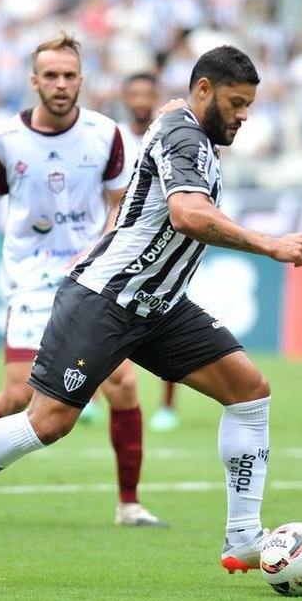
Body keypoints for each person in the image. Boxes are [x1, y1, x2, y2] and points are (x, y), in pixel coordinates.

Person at [0, 44, 302, 576]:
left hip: (160, 304)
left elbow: (162, 151)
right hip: (106, 299)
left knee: (249, 391)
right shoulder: (183, 135)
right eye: (237, 104)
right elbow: (188, 214)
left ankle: (242, 536)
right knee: (47, 421)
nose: (244, 117)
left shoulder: (183, 123)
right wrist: (270, 244)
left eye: (249, 105)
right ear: (204, 92)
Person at [0, 35, 166, 528]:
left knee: (123, 385)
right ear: (34, 81)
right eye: (51, 76)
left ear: (81, 80)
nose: (61, 85)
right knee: (17, 397)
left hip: (91, 280)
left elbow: (121, 207)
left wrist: (104, 253)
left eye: (69, 76)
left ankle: (129, 504)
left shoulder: (107, 135)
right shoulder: (5, 142)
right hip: (31, 281)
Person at [118, 72, 181, 433]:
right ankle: (94, 395)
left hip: (163, 247)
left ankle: (168, 406)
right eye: (135, 92)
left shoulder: (168, 135)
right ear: (125, 96)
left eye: (147, 93)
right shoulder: (117, 138)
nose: (141, 100)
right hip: (122, 241)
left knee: (166, 317)